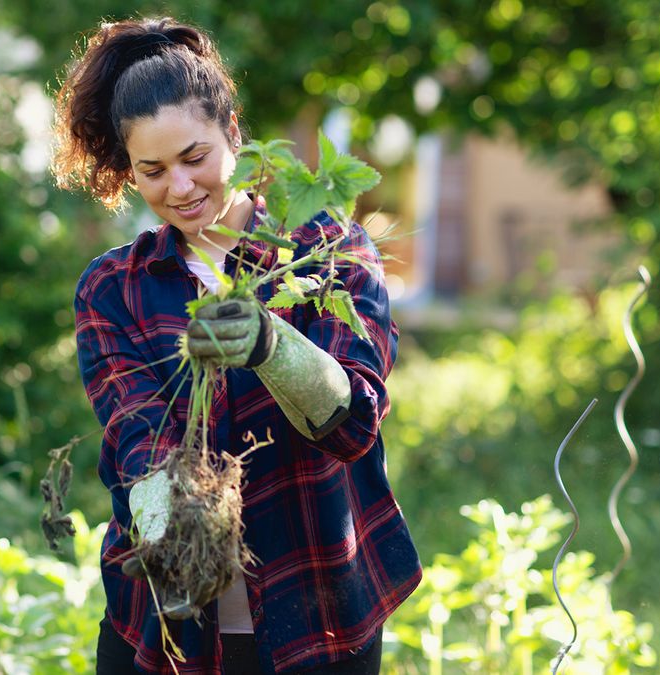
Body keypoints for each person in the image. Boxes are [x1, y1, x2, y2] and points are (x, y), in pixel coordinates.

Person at [51, 17, 422, 674]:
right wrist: (171, 529)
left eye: (195, 158)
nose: (180, 188)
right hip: (167, 628)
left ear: (234, 133)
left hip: (321, 613)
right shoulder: (115, 289)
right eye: (153, 170)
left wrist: (271, 344)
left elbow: (355, 424)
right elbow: (138, 437)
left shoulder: (328, 253)